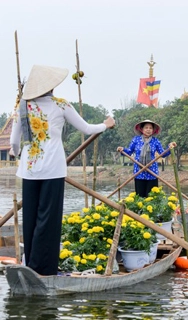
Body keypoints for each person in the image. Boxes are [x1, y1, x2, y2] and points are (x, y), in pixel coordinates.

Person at [9, 65, 115, 275]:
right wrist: (106, 124)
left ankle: (30, 263)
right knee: (47, 218)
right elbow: (86, 128)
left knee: (30, 217)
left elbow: (13, 143)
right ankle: (44, 269)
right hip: (53, 170)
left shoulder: (22, 107)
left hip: (29, 170)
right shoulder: (61, 104)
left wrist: (21, 154)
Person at [117, 120, 176, 197]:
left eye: (150, 128)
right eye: (146, 128)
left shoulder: (155, 141)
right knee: (140, 196)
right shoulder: (136, 140)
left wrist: (170, 147)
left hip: (152, 172)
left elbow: (163, 154)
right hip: (139, 172)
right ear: (142, 129)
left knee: (152, 197)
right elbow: (129, 152)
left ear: (153, 130)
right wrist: (122, 149)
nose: (148, 130)